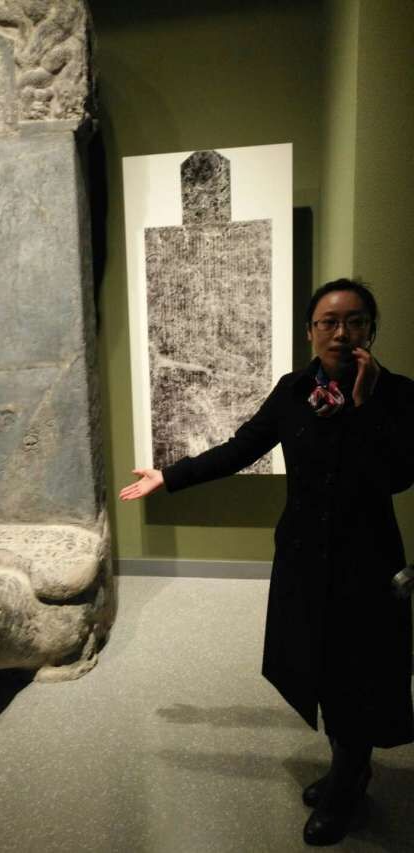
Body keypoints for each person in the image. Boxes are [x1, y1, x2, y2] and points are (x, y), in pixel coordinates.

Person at [119, 279, 414, 846]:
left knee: (356, 673)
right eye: (328, 322)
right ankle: (348, 766)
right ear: (310, 332)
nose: (341, 332)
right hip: (303, 556)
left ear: (372, 331)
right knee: (317, 664)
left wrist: (364, 405)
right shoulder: (293, 390)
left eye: (354, 321)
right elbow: (241, 448)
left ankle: (349, 780)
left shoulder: (398, 395)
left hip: (365, 561)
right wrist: (170, 476)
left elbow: (398, 475)